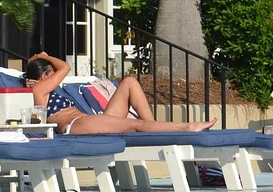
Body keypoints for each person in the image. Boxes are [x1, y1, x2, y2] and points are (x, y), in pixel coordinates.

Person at [23, 52, 217, 135]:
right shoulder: (38, 90)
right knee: (135, 125)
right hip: (75, 125)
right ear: (44, 76)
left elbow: (61, 69)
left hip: (90, 120)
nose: (55, 77)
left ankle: (153, 128)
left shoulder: (45, 90)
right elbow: (65, 67)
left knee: (129, 82)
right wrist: (44, 57)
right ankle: (188, 127)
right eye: (51, 73)